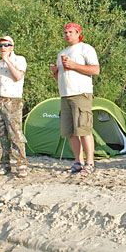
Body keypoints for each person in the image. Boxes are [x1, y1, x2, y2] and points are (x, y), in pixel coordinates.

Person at [49, 23, 100, 177]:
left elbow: (95, 70)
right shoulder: (61, 53)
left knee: (84, 129)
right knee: (70, 131)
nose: (67, 35)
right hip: (65, 95)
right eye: (65, 32)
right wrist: (55, 72)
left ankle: (90, 162)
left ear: (78, 33)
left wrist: (74, 65)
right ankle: (78, 161)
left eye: (71, 32)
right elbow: (60, 77)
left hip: (81, 93)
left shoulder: (86, 48)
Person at [0, 36, 28, 178]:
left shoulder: (20, 60)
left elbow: (18, 76)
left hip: (14, 100)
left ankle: (21, 164)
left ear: (12, 47)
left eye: (6, 45)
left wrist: (7, 60)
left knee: (15, 133)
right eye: (0, 45)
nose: (3, 48)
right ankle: (3, 164)